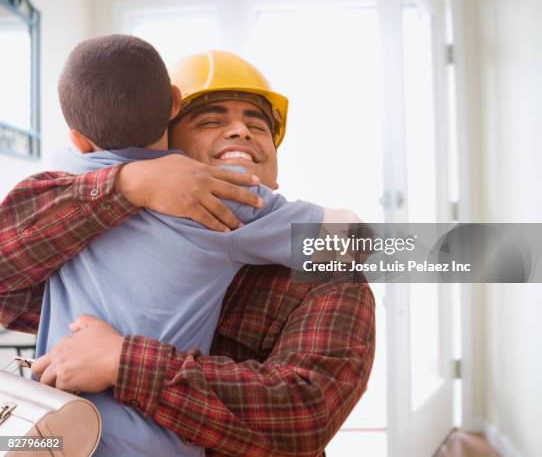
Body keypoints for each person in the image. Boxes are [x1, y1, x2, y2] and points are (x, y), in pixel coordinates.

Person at [0, 48, 375, 457]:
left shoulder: (330, 279)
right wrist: (128, 184)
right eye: (212, 120)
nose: (240, 132)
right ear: (170, 144)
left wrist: (125, 362)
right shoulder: (95, 232)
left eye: (258, 125)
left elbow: (305, 415)